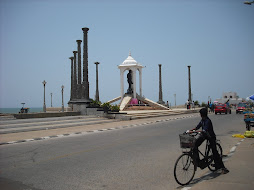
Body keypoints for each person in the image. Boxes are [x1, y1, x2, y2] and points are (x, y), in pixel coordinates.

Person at [189, 108, 229, 174]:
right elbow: (197, 127)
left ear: (202, 114)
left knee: (215, 152)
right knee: (195, 144)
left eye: (200, 114)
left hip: (211, 137)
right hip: (204, 135)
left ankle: (222, 167)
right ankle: (197, 161)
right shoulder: (202, 120)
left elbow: (204, 130)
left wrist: (197, 131)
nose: (200, 115)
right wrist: (191, 130)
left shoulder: (208, 121)